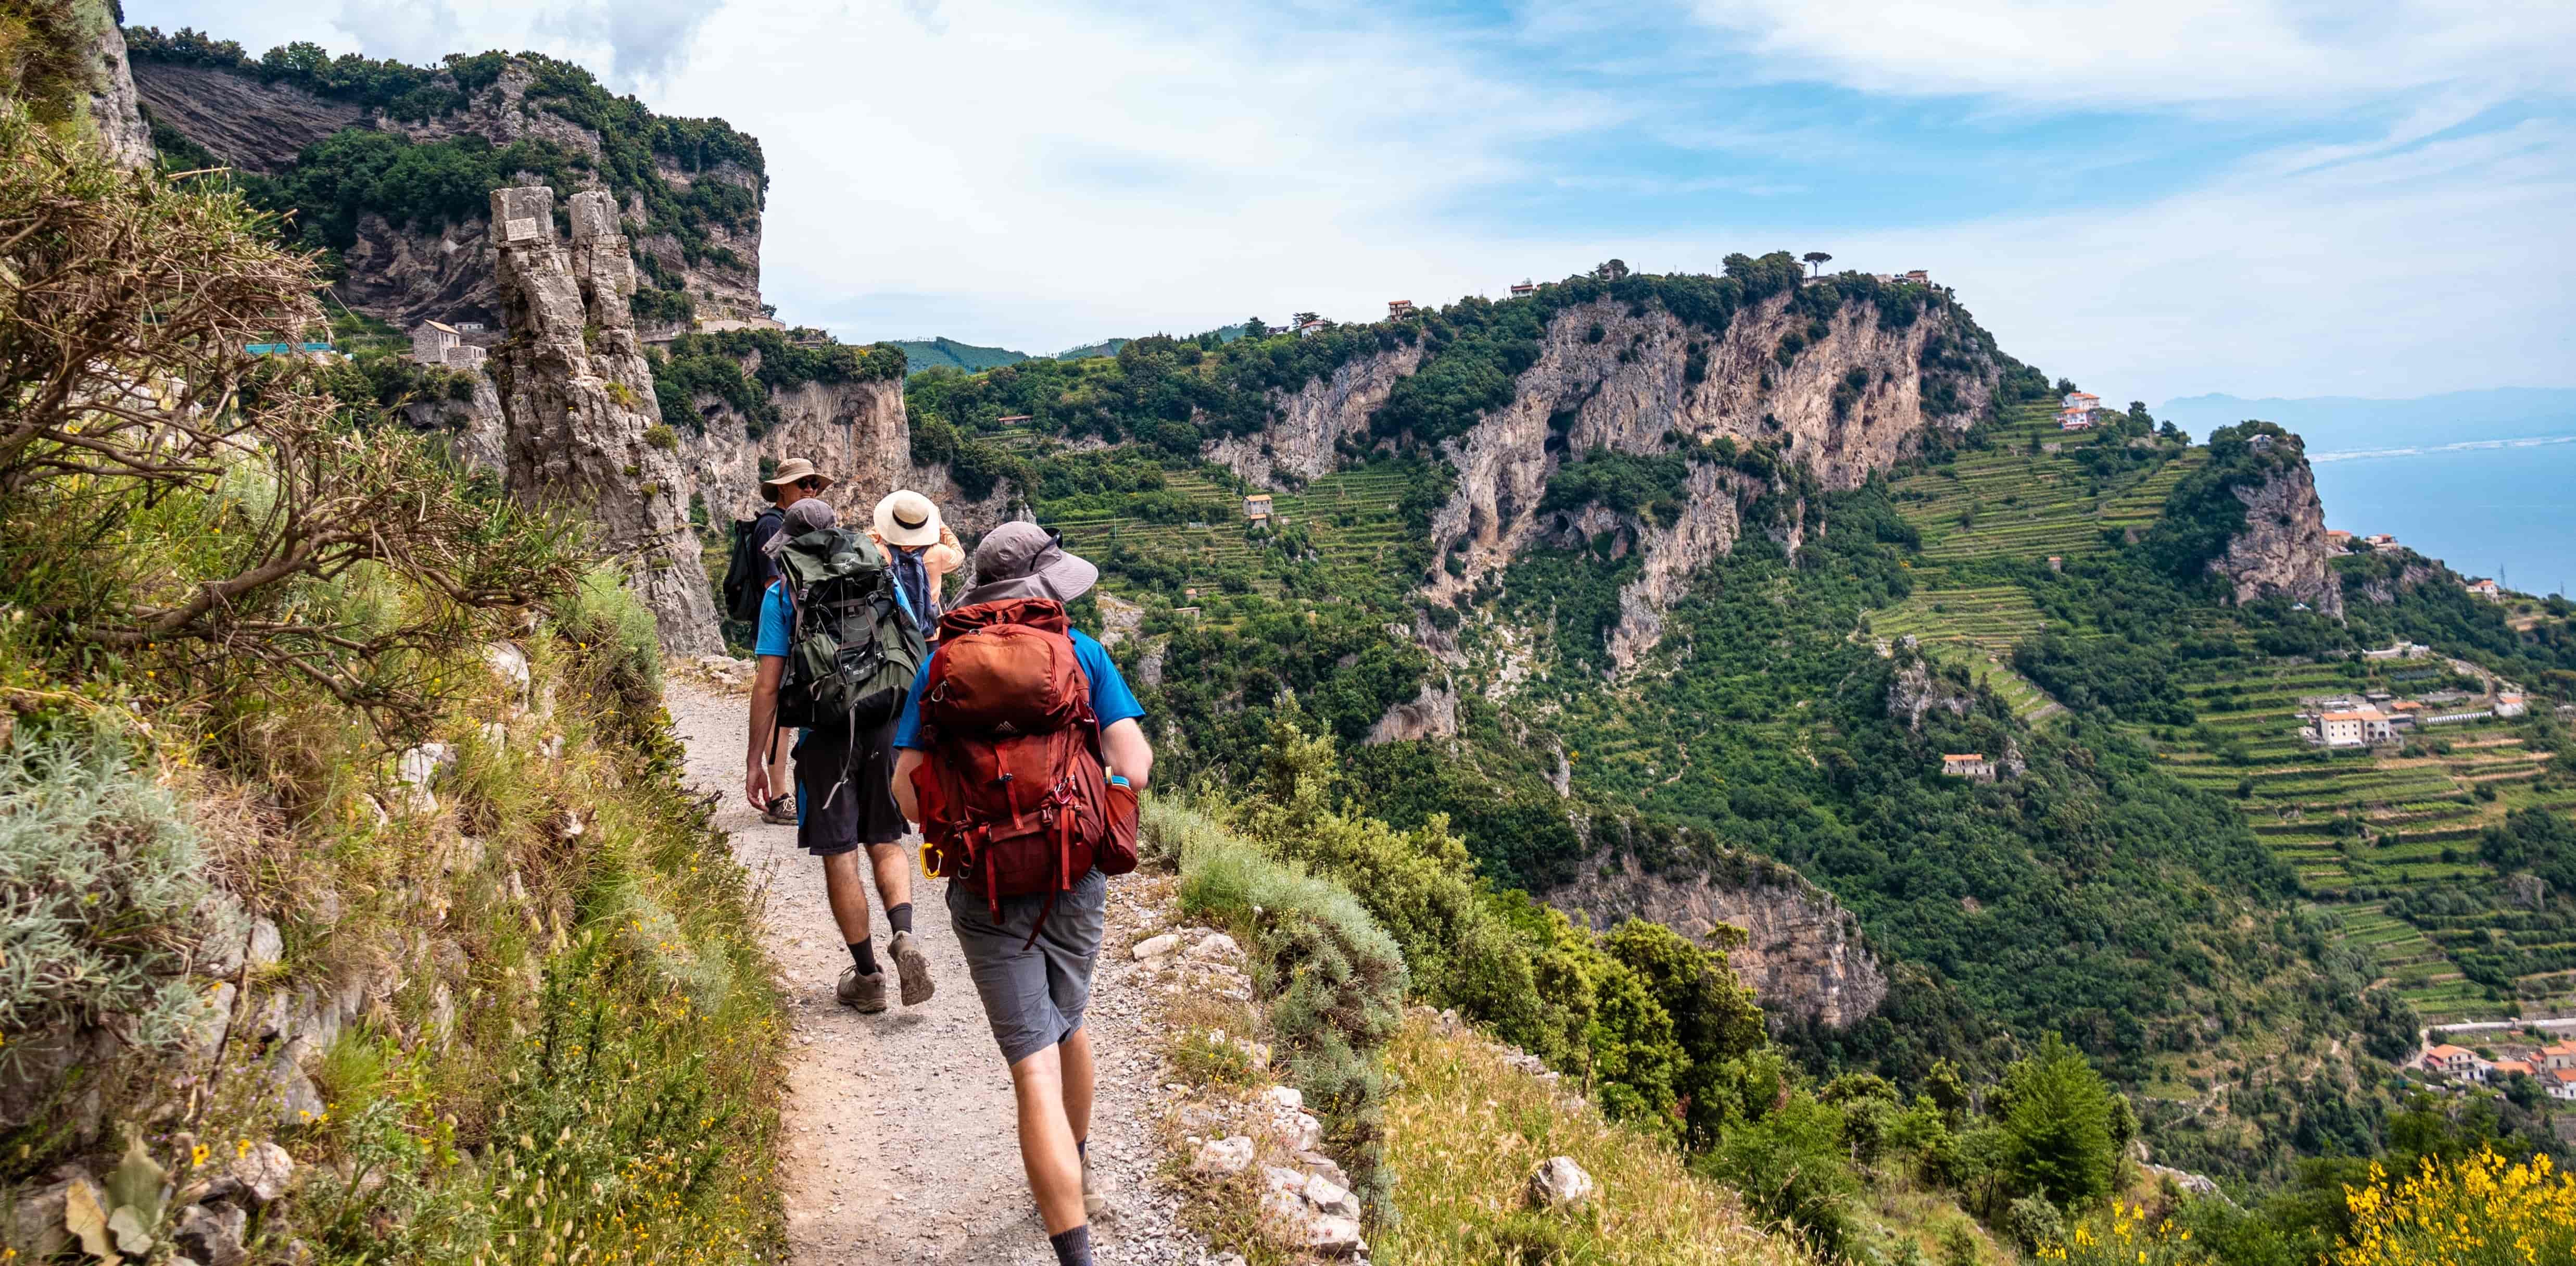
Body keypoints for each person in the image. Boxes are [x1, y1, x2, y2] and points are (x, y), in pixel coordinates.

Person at [891, 523, 1152, 1266]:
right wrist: (1112, 802)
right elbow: (1133, 756)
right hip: (1075, 874)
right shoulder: (1081, 653)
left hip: (986, 887)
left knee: (1030, 1060)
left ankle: (1076, 1252)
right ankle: (1078, 1161)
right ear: (1046, 586)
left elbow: (906, 792)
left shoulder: (942, 662)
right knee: (1069, 1022)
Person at [747, 494, 935, 1012]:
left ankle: (869, 977)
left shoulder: (783, 590)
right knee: (887, 839)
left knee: (839, 853)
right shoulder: (877, 567)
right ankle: (904, 934)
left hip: (825, 730)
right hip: (884, 719)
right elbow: (911, 639)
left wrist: (759, 762)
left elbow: (767, 686)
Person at [749, 458, 832, 824]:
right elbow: (773, 584)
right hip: (788, 637)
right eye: (804, 484)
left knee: (786, 714)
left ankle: (787, 793)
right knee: (783, 717)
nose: (811, 489)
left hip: (795, 642)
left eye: (814, 484)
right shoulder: (771, 525)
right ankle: (781, 793)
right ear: (783, 488)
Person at [869, 488, 965, 640]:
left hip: (896, 634)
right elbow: (959, 554)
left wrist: (883, 528)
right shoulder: (938, 553)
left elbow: (860, 546)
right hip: (929, 634)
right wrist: (941, 526)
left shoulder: (882, 552)